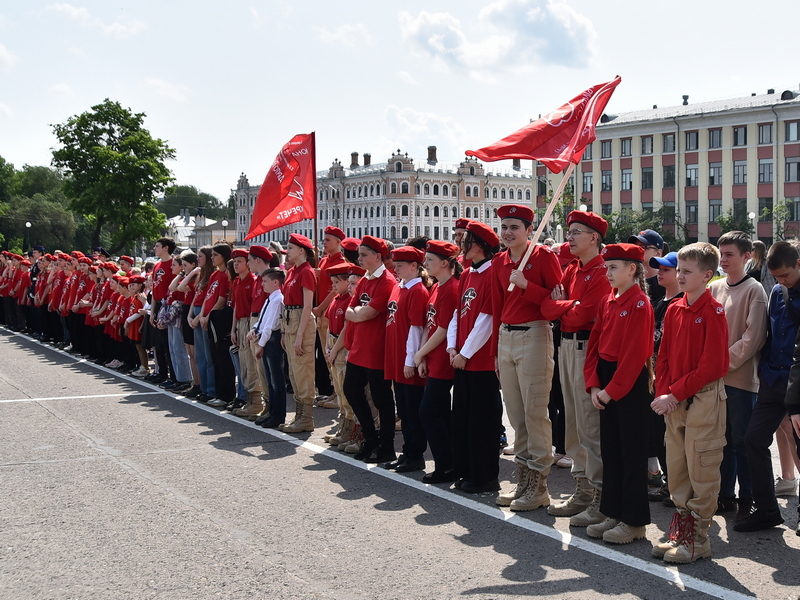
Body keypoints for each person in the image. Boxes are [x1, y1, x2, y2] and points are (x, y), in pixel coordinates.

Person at [651, 242, 729, 563]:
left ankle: (698, 539)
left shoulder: (714, 312)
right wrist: (662, 392)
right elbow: (664, 355)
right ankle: (681, 530)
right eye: (678, 270)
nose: (679, 276)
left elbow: (713, 366)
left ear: (707, 275)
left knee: (701, 465)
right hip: (675, 398)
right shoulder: (674, 308)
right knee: (677, 464)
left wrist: (674, 393)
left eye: (686, 271)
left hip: (703, 398)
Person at [541, 211, 610, 526]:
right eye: (569, 231)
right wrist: (566, 306)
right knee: (571, 423)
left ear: (594, 237)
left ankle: (600, 496)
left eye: (577, 232)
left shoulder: (601, 272)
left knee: (589, 426)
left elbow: (582, 317)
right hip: (566, 346)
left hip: (585, 348)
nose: (569, 237)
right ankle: (582, 490)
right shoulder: (571, 270)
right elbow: (546, 307)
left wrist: (563, 306)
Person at [582, 243, 654, 544]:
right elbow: (595, 344)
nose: (607, 272)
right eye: (606, 266)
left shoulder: (639, 304)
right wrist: (594, 383)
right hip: (608, 380)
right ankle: (613, 511)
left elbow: (635, 354)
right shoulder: (608, 300)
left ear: (632, 270)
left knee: (631, 453)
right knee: (611, 451)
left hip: (628, 383)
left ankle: (634, 521)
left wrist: (611, 391)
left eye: (613, 267)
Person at [492, 204, 562, 510]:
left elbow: (558, 301)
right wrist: (496, 348)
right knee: (517, 415)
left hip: (534, 333)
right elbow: (496, 307)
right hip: (506, 337)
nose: (508, 233)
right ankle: (522, 479)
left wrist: (527, 286)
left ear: (529, 231)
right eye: (504, 227)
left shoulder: (544, 257)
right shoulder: (499, 261)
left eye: (514, 227)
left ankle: (539, 484)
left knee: (535, 413)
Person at [738, 241, 800, 532]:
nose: (780, 281)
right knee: (753, 439)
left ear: (798, 264)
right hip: (773, 380)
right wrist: (765, 370)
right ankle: (766, 510)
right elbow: (770, 335)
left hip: (797, 384)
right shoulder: (776, 291)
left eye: (785, 275)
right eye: (776, 277)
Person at [708, 231, 768, 520]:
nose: (724, 259)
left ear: (747, 256)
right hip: (715, 377)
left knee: (741, 440)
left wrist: (719, 362)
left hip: (741, 379)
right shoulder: (715, 287)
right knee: (721, 439)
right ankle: (724, 495)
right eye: (721, 253)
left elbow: (752, 338)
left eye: (730, 254)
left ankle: (748, 496)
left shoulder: (754, 290)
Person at [448, 221, 502, 493]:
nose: (461, 244)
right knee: (463, 419)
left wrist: (465, 353)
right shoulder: (468, 272)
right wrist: (452, 347)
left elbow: (487, 318)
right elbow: (458, 312)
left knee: (482, 422)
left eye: (467, 240)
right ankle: (466, 471)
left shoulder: (493, 272)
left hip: (480, 361)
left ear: (479, 245)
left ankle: (485, 477)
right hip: (461, 357)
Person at [343, 235, 398, 463]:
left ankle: (386, 446)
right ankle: (370, 437)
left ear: (378, 256)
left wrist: (357, 313)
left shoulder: (386, 282)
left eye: (364, 255)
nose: (360, 258)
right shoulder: (365, 280)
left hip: (376, 348)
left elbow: (367, 313)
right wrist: (357, 313)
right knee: (351, 390)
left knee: (382, 399)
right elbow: (350, 310)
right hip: (359, 347)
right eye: (359, 254)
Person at [415, 241, 461, 483]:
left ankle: (445, 465)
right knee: (441, 411)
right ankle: (451, 462)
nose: (426, 264)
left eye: (430, 260)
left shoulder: (452, 288)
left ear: (445, 263)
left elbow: (443, 329)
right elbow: (429, 323)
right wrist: (422, 354)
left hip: (444, 358)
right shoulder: (436, 287)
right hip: (432, 356)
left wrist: (420, 353)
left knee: (429, 411)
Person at [382, 246, 430, 473]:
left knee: (412, 410)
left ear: (414, 266)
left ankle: (415, 454)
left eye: (400, 266)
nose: (396, 269)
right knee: (402, 406)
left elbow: (416, 329)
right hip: (395, 356)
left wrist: (411, 360)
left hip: (406, 359)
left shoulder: (417, 291)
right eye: (395, 265)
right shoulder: (399, 287)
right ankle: (407, 452)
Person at [646, 251, 682, 504]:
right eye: (659, 268)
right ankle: (668, 482)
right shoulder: (660, 302)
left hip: (672, 382)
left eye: (666, 269)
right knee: (658, 435)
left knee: (675, 439)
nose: (660, 272)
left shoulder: (682, 302)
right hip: (655, 379)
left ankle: (678, 486)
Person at [280, 234, 318, 433]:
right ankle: (299, 415)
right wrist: (284, 333)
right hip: (289, 321)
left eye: (290, 248)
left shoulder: (306, 272)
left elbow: (307, 306)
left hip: (300, 322)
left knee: (303, 371)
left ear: (301, 250)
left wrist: (300, 335)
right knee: (294, 373)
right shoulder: (293, 271)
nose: (288, 252)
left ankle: (306, 417)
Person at [322, 263, 359, 445]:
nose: (334, 285)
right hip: (333, 344)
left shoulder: (349, 301)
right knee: (338, 388)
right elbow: (329, 325)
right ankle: (343, 426)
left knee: (346, 392)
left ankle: (350, 431)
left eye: (337, 282)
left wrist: (334, 349)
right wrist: (327, 349)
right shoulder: (336, 299)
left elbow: (345, 329)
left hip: (341, 346)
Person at [250, 267, 287, 429]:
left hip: (272, 342)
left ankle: (278, 415)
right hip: (266, 341)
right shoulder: (270, 298)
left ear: (276, 282)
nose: (262, 284)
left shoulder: (278, 299)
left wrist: (260, 345)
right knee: (270, 381)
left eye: (265, 281)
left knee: (276, 380)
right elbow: (262, 320)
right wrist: (254, 329)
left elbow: (270, 326)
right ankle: (272, 413)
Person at [228, 248, 262, 417]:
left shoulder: (253, 280)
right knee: (243, 362)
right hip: (240, 322)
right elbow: (235, 307)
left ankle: (256, 401)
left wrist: (250, 327)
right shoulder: (236, 282)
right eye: (234, 262)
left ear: (248, 264)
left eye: (240, 261)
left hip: (250, 322)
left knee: (251, 362)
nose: (236, 264)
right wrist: (233, 329)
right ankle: (249, 398)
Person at [148, 238, 177, 385]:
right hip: (158, 304)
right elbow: (154, 290)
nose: (154, 248)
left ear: (166, 248)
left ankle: (173, 376)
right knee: (158, 344)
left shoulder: (172, 264)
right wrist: (152, 312)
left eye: (157, 246)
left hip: (168, 305)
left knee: (168, 343)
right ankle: (162, 373)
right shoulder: (157, 265)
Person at [628, 229, 665, 303]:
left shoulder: (665, 282)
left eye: (644, 247)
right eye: (635, 246)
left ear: (658, 253)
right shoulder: (628, 280)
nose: (638, 250)